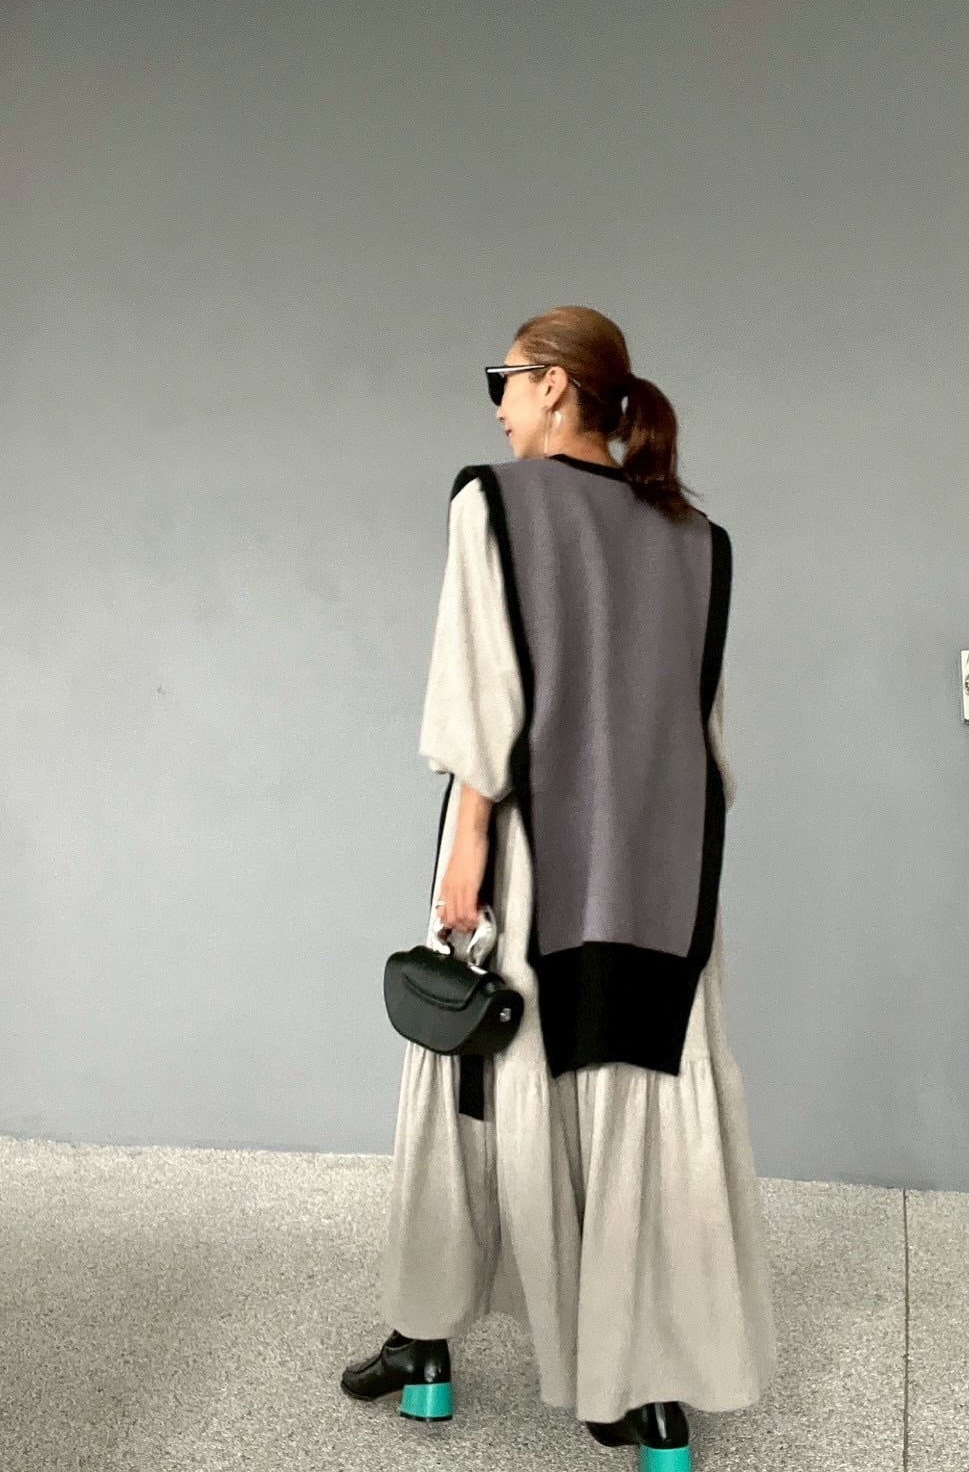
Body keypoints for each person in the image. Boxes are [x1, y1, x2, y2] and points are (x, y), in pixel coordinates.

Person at [340, 306, 777, 1469]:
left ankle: (425, 1351)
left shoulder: (495, 501)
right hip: (661, 880)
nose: (496, 404)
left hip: (532, 860)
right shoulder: (698, 538)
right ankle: (649, 1393)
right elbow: (704, 735)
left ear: (554, 385)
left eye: (506, 377)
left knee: (473, 1083)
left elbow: (480, 695)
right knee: (638, 1104)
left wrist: (465, 852)